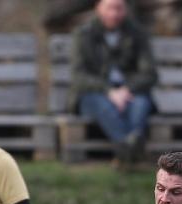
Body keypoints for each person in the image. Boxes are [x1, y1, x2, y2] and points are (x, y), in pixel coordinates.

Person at [68, 0, 158, 165]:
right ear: (98, 8)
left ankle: (125, 152)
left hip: (131, 92)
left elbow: (149, 73)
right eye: (110, 8)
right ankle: (132, 148)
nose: (114, 13)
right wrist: (109, 91)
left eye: (119, 8)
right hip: (95, 93)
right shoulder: (83, 34)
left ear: (126, 9)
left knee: (140, 103)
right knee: (102, 104)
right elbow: (79, 76)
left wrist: (126, 89)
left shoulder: (137, 34)